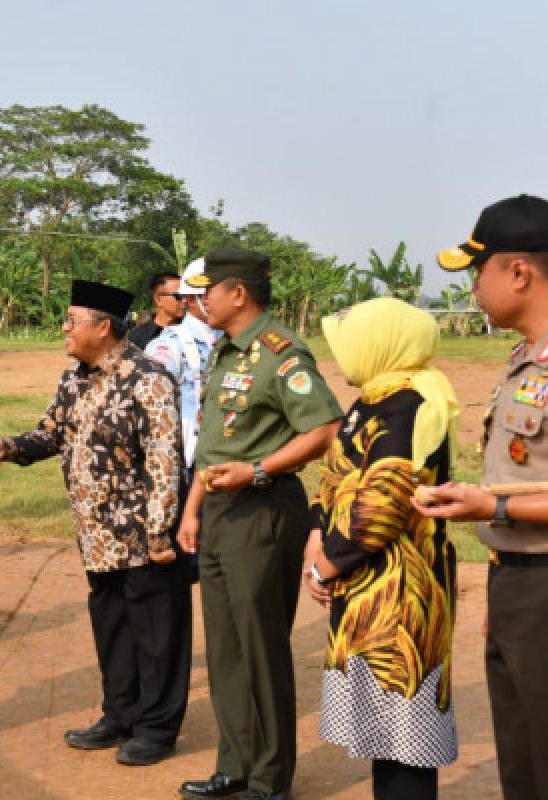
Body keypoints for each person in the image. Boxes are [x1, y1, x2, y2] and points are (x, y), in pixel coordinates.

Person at [414, 194, 548, 800]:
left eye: (479, 271)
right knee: (527, 772)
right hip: (523, 584)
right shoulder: (533, 354)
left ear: (518, 272)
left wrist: (495, 508)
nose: (475, 287)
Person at [0, 279, 190, 767]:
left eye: (72, 320)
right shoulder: (75, 378)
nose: (64, 327)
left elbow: (165, 457)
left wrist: (161, 529)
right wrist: (4, 448)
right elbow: (49, 434)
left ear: (103, 327)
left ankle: (156, 728)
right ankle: (119, 714)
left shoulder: (148, 377)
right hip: (98, 534)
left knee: (156, 630)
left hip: (144, 533)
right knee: (113, 626)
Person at [176, 247, 342, 800]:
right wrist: (193, 509)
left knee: (260, 645)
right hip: (221, 511)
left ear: (237, 293)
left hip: (264, 510)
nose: (201, 301)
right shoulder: (226, 350)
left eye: (208, 291)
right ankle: (235, 765)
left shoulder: (280, 353)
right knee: (224, 646)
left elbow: (322, 430)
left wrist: (257, 470)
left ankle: (271, 779)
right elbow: (213, 440)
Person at [304, 298, 459, 800]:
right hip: (363, 579)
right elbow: (334, 476)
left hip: (399, 587)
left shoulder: (409, 404)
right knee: (383, 729)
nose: (341, 354)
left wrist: (326, 565)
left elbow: (383, 503)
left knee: (404, 729)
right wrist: (317, 540)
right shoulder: (373, 399)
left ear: (381, 343)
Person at [146, 258, 223, 469]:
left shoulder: (232, 338)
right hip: (189, 457)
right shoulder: (170, 345)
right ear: (190, 298)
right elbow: (151, 410)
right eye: (207, 294)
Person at [128, 272, 183, 349]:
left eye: (186, 295)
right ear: (158, 299)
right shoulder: (137, 339)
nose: (184, 300)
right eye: (179, 296)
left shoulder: (194, 329)